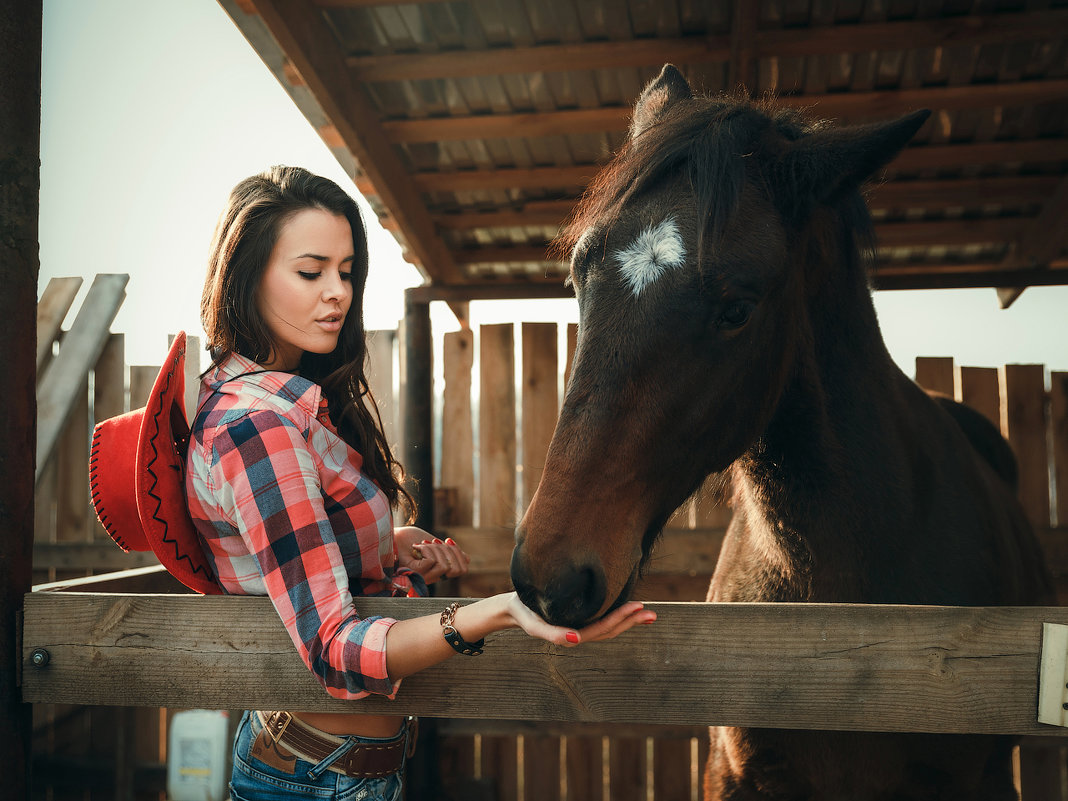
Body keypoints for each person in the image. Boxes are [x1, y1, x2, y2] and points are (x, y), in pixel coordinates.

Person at [184, 165, 657, 801]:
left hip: (331, 764)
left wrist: (384, 547)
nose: (338, 294)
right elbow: (334, 651)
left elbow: (288, 564)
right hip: (317, 779)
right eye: (310, 271)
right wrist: (494, 613)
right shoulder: (259, 428)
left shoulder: (286, 405)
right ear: (246, 277)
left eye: (347, 272)